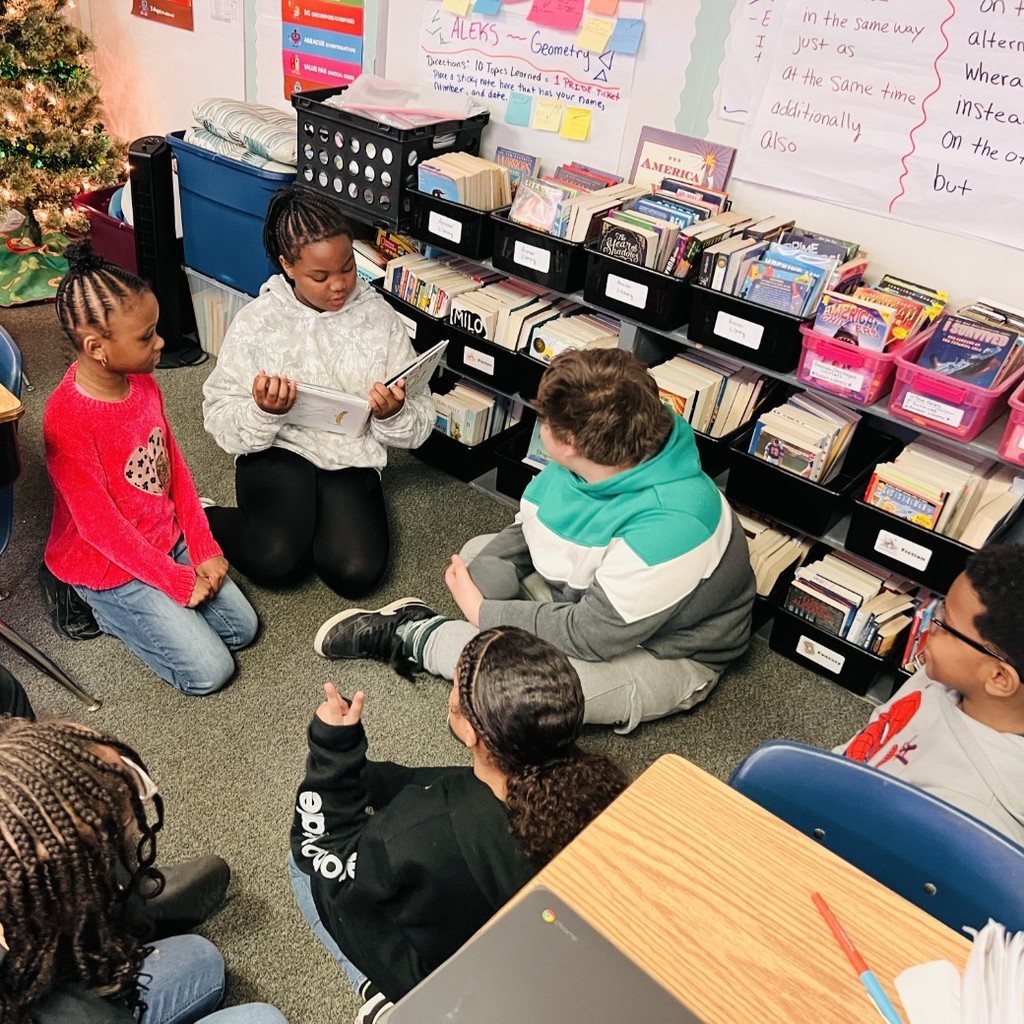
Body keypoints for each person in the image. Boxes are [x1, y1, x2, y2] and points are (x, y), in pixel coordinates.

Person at [314, 347, 756, 733]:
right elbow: (533, 527)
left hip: (667, 650)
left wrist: (483, 612)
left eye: (543, 420)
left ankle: (414, 633)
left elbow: (592, 636)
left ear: (565, 442)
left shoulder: (676, 522)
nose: (540, 424)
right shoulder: (616, 446)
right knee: (476, 563)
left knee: (532, 692)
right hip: (592, 600)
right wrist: (483, 595)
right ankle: (478, 643)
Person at [289, 627, 627, 1009]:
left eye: (457, 684)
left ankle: (381, 1001)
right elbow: (439, 784)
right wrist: (357, 772)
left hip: (446, 988)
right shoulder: (601, 789)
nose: (451, 689)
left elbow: (319, 849)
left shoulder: (417, 833)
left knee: (302, 869)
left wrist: (331, 753)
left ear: (471, 732)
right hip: (529, 962)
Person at [43, 241, 258, 696]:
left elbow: (171, 467)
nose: (161, 342)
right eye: (146, 337)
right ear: (96, 348)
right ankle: (91, 601)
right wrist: (174, 583)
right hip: (108, 564)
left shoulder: (142, 383)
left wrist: (201, 547)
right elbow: (101, 529)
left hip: (164, 536)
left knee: (243, 629)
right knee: (209, 673)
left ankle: (159, 598)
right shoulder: (67, 420)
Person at [202, 186, 434, 597]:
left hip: (349, 455)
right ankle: (200, 513)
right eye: (320, 276)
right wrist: (263, 412)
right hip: (277, 449)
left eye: (348, 267)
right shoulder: (258, 322)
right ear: (287, 266)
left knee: (355, 573)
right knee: (275, 560)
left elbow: (421, 419)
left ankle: (305, 519)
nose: (340, 286)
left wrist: (392, 414)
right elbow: (218, 414)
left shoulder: (378, 318)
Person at [0, 717, 287, 1024]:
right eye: (120, 829)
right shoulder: (76, 1016)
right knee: (263, 1018)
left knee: (200, 956)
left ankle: (127, 911)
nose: (137, 824)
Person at [838, 543, 1024, 844]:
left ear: (999, 677)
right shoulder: (948, 678)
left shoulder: (974, 816)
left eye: (945, 624)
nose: (928, 625)